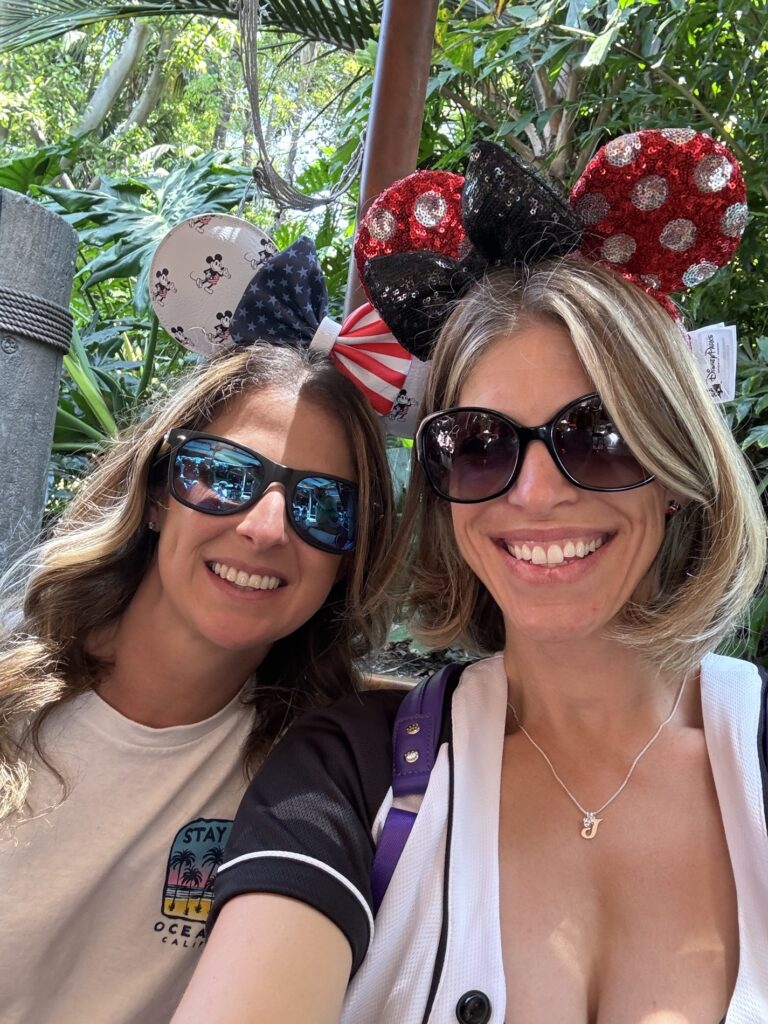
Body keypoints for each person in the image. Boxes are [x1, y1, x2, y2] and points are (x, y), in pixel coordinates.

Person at [172, 131, 767, 1024]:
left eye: (597, 436)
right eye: (480, 445)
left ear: (676, 468)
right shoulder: (354, 773)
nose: (534, 494)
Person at [0, 341, 395, 1024]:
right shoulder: (12, 691)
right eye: (225, 474)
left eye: (324, 506)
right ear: (158, 494)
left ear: (349, 558)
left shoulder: (333, 771)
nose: (266, 529)